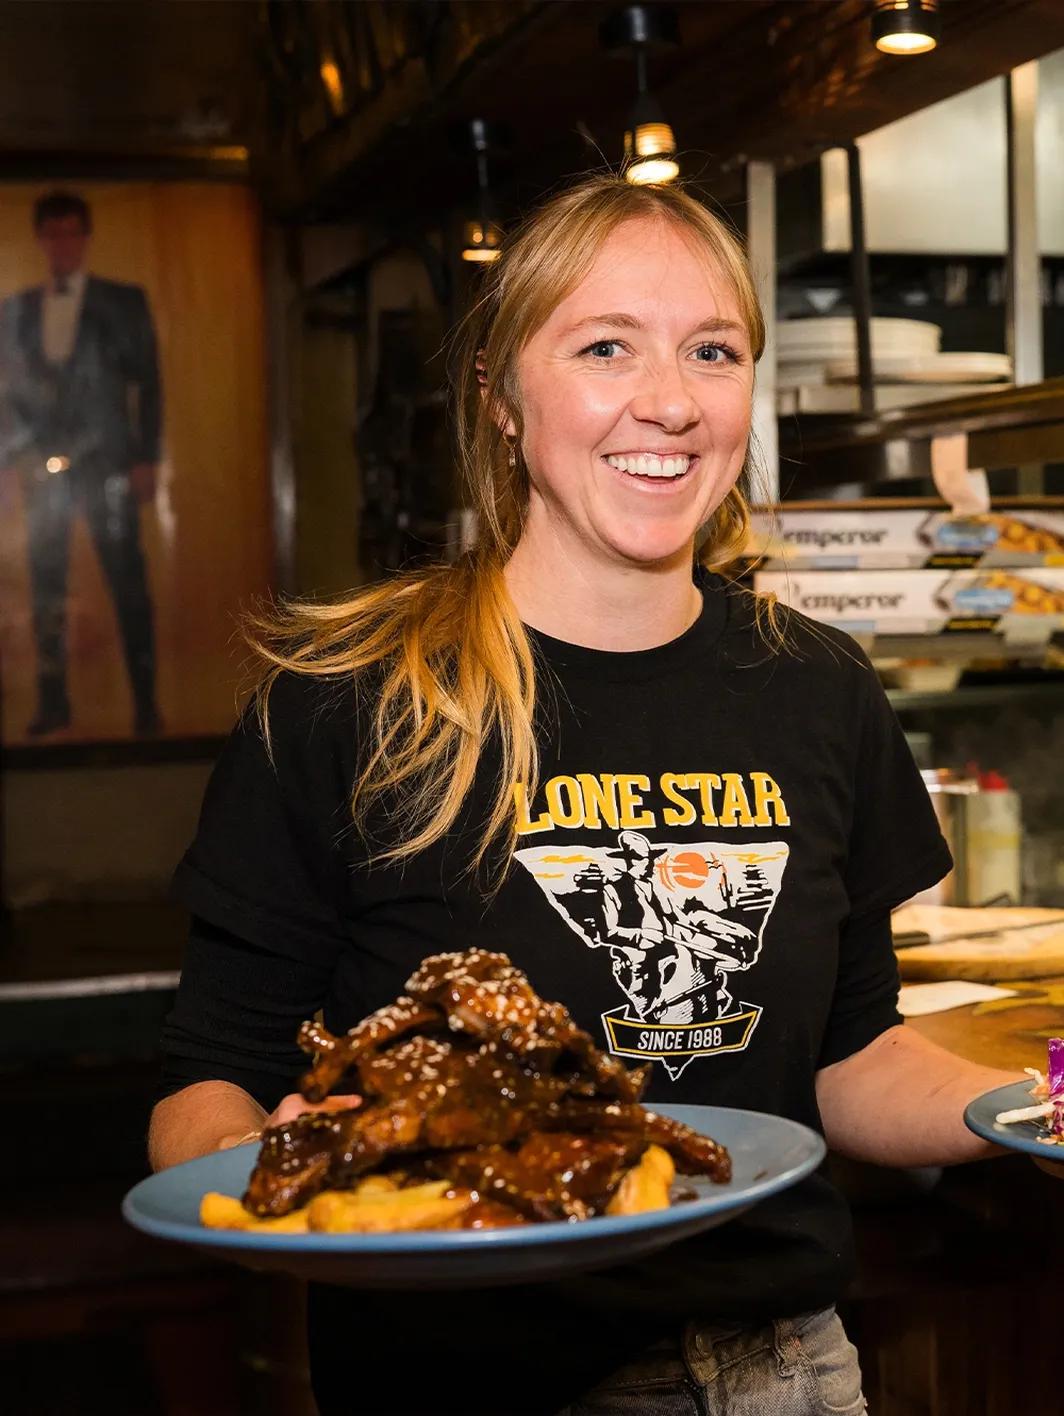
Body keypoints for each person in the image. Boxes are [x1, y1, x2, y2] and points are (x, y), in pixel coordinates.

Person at [150, 175, 1037, 1416]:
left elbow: (847, 1057)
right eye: (604, 347)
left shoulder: (817, 687)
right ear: (501, 396)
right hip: (468, 1382)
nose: (668, 400)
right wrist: (265, 1157)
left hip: (782, 1368)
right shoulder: (345, 700)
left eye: (710, 351)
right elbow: (209, 1078)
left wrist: (1030, 1106)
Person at [0, 189, 162, 736]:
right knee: (45, 584)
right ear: (41, 239)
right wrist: (8, 462)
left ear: (86, 238)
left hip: (109, 464)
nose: (64, 243)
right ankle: (53, 704)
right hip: (42, 465)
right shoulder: (17, 309)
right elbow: (7, 393)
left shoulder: (124, 301)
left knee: (128, 581)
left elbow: (149, 384)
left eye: (72, 232)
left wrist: (146, 459)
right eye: (54, 233)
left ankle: (146, 705)